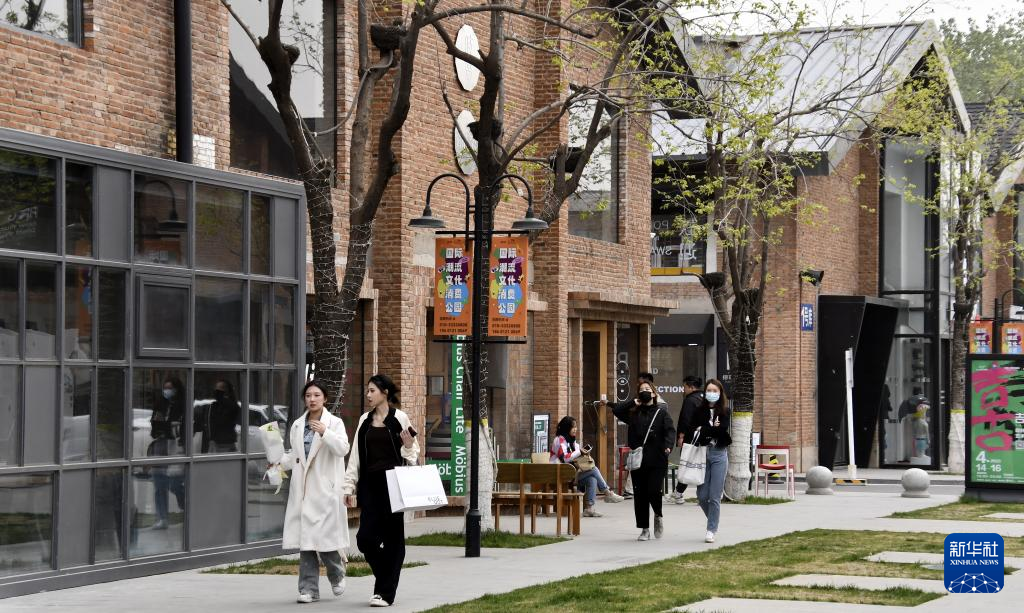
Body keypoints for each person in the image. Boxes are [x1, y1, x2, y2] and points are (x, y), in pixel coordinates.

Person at [344, 374, 420, 608]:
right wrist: (349, 485)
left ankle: (384, 593)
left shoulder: (400, 418)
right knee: (365, 539)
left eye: (372, 391)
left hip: (394, 485)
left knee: (393, 541)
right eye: (367, 391)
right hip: (370, 486)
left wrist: (408, 445)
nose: (368, 395)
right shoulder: (364, 420)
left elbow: (413, 454)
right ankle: (386, 579)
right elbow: (355, 456)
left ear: (385, 393)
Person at [277, 380, 351, 604]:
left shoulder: (334, 423)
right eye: (308, 395)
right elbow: (295, 455)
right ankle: (308, 589)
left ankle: (337, 574)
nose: (312, 399)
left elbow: (343, 449)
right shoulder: (298, 425)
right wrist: (278, 462)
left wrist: (325, 432)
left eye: (317, 395)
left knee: (325, 540)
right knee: (307, 543)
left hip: (325, 491)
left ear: (325, 399)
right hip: (303, 491)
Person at [603, 379, 674, 541]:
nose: (644, 391)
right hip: (638, 460)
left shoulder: (661, 412)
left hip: (657, 458)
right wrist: (632, 402)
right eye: (641, 390)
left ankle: (658, 514)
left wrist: (668, 446)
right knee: (640, 494)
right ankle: (644, 529)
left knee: (653, 491)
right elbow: (617, 410)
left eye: (647, 389)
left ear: (654, 393)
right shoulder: (634, 413)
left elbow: (670, 431)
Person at [550, 416, 624, 517]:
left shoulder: (572, 441)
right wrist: (579, 452)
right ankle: (607, 492)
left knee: (592, 478)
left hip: (572, 472)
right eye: (573, 427)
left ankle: (589, 509)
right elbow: (565, 458)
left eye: (576, 427)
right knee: (594, 470)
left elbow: (575, 457)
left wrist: (584, 454)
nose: (575, 429)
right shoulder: (559, 440)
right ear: (566, 428)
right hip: (561, 474)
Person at [694, 378, 731, 543]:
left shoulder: (725, 411)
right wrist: (711, 429)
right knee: (702, 496)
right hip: (702, 454)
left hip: (719, 454)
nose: (711, 393)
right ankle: (713, 520)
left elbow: (722, 431)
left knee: (715, 496)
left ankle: (711, 529)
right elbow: (694, 430)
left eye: (715, 391)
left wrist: (706, 429)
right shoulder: (699, 411)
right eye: (709, 390)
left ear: (720, 393)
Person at [150, 377, 185, 530]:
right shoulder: (160, 405)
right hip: (160, 444)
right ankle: (162, 517)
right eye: (165, 388)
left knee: (175, 483)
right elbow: (154, 426)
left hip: (174, 446)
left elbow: (179, 428)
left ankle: (185, 506)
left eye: (170, 388)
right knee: (159, 483)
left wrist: (167, 426)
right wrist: (161, 426)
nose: (167, 391)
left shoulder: (181, 406)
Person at [667, 376, 703, 505]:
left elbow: (685, 419)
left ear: (691, 387)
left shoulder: (690, 400)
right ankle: (701, 496)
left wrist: (681, 436)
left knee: (686, 465)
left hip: (690, 439)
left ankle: (678, 494)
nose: (683, 389)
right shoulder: (704, 398)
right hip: (703, 438)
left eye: (685, 387)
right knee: (701, 467)